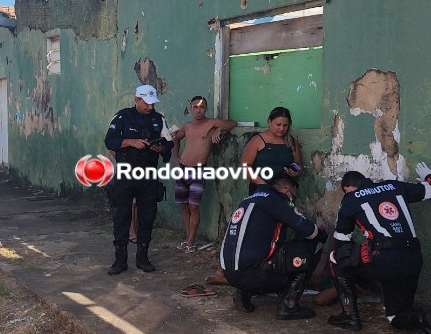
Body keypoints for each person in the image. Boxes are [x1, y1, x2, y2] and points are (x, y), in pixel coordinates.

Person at [328, 166, 431, 334]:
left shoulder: (350, 200)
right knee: (395, 316)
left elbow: (341, 240)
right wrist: (429, 176)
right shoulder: (394, 186)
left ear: (347, 188)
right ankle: (423, 318)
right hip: (414, 258)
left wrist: (355, 271)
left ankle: (349, 315)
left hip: (384, 260)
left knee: (336, 258)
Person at [219, 175, 326, 319]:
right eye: (293, 197)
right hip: (255, 275)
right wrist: (319, 232)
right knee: (311, 246)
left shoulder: (247, 200)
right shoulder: (277, 200)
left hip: (230, 274)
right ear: (287, 190)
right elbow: (308, 230)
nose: (292, 201)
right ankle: (289, 305)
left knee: (255, 251)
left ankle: (242, 293)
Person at [104, 84, 171, 275]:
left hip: (149, 174)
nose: (150, 107)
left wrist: (162, 149)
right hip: (126, 173)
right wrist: (130, 142)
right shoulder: (123, 117)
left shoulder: (159, 119)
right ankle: (120, 260)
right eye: (147, 103)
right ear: (137, 100)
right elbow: (110, 140)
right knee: (121, 216)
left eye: (153, 103)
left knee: (147, 216)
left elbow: (168, 142)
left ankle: (143, 258)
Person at [171, 96, 237, 251]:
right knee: (184, 206)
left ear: (206, 109)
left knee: (194, 206)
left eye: (201, 107)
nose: (198, 110)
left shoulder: (211, 123)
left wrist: (220, 129)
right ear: (191, 108)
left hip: (199, 170)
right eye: (195, 107)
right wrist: (176, 157)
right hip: (183, 169)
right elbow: (176, 139)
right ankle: (189, 241)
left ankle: (191, 241)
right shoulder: (187, 126)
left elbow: (233, 123)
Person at [241, 106, 303, 187]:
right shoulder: (257, 140)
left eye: (285, 125)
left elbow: (299, 165)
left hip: (284, 191)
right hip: (261, 190)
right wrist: (261, 183)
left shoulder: (291, 142)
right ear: (269, 122)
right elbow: (245, 167)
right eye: (278, 124)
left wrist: (296, 172)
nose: (281, 128)